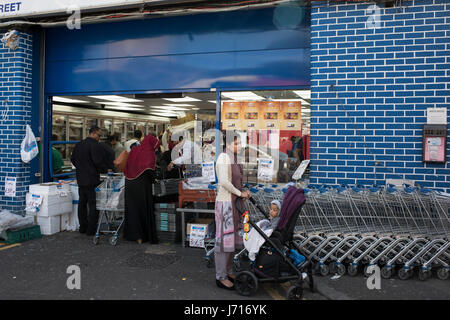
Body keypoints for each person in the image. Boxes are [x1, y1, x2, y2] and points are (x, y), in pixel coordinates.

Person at [214, 131, 251, 290]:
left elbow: (237, 181)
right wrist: (239, 193)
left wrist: (244, 191)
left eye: (240, 143)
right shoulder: (224, 157)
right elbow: (223, 182)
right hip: (226, 204)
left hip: (234, 204)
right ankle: (220, 277)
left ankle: (227, 271)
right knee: (224, 242)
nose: (239, 146)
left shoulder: (234, 158)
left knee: (231, 241)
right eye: (236, 143)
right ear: (228, 144)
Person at [70, 126, 109, 235]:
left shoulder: (79, 144)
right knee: (93, 205)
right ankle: (91, 230)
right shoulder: (95, 145)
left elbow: (72, 159)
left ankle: (83, 227)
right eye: (99, 135)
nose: (99, 138)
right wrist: (104, 170)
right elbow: (98, 161)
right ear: (93, 133)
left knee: (82, 203)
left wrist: (80, 168)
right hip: (92, 179)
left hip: (81, 179)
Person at [123, 133, 160, 244]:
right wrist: (155, 179)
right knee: (142, 210)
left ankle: (132, 235)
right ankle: (142, 236)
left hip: (129, 183)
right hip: (142, 185)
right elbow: (149, 171)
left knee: (132, 210)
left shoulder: (135, 150)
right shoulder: (149, 153)